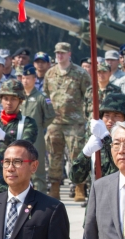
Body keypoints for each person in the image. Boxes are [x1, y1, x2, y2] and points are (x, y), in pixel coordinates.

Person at [44, 42, 91, 200]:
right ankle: (55, 188)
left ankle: (79, 187)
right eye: (57, 53)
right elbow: (45, 96)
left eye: (63, 53)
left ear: (69, 54)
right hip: (55, 123)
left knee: (76, 157)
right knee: (54, 157)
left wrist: (87, 118)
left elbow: (89, 96)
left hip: (74, 123)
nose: (59, 55)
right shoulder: (50, 74)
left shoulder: (80, 73)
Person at [21, 64, 56, 194]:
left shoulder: (41, 97)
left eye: (28, 78)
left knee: (37, 165)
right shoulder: (19, 97)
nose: (25, 81)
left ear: (34, 79)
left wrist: (40, 126)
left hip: (36, 136)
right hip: (19, 134)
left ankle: (41, 193)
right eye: (23, 78)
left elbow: (50, 115)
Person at [0, 79, 38, 155]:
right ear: (1, 100)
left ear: (20, 101)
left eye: (13, 99)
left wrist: (4, 136)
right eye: (5, 99)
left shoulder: (28, 123)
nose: (9, 103)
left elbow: (24, 148)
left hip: (16, 165)